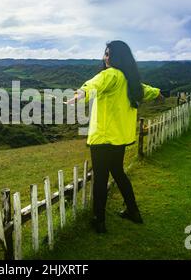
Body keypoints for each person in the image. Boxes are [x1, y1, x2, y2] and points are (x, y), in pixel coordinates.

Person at [67, 40, 164, 233]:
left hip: (103, 138)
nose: (105, 58)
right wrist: (159, 94)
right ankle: (133, 211)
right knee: (118, 173)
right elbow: (147, 90)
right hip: (119, 138)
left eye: (108, 54)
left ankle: (99, 220)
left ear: (118, 57)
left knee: (101, 178)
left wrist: (81, 93)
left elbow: (95, 83)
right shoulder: (131, 80)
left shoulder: (110, 74)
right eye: (105, 53)